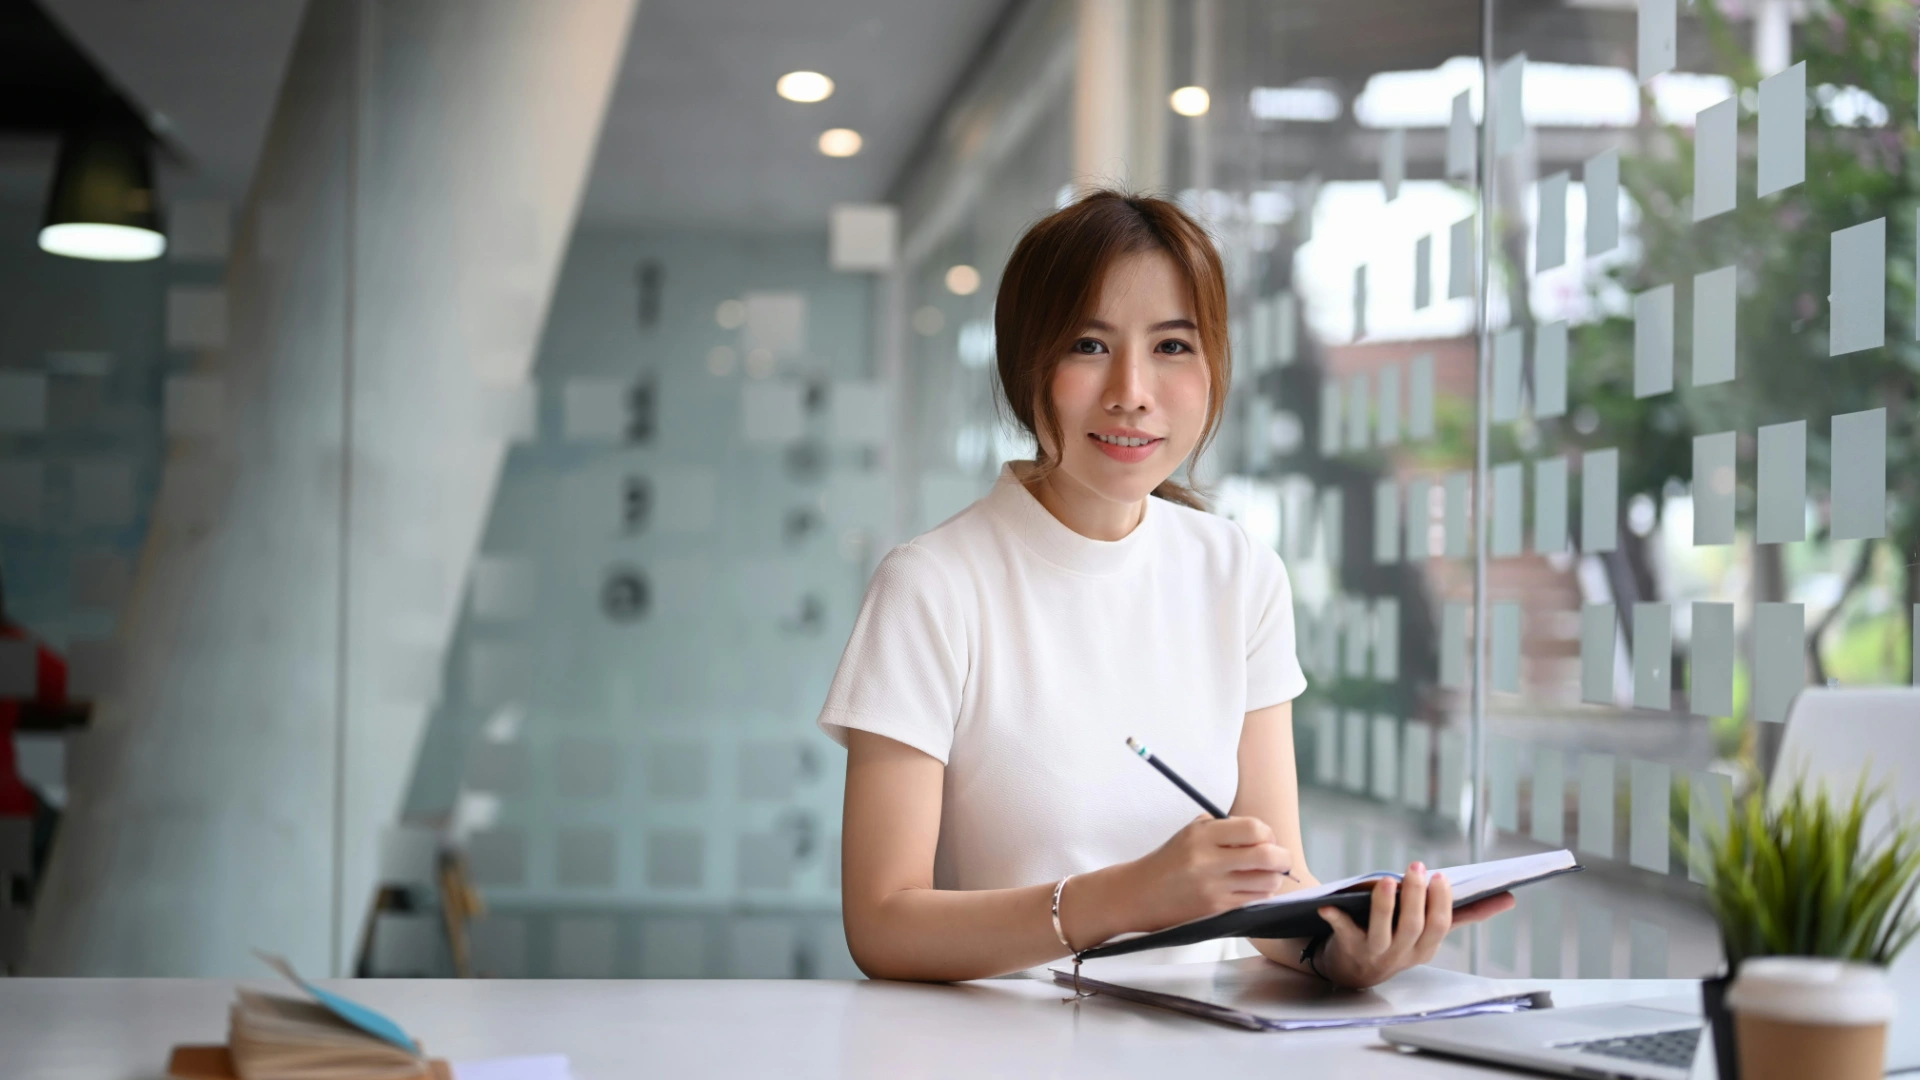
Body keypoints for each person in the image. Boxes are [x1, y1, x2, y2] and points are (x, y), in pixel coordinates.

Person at [818, 191, 1513, 985]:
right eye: (1088, 344)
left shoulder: (1239, 574)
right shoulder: (933, 587)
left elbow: (1274, 883)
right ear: (1025, 365)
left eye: (1174, 347)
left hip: (1198, 1044)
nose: (1133, 390)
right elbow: (881, 923)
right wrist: (1129, 895)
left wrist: (1340, 947)